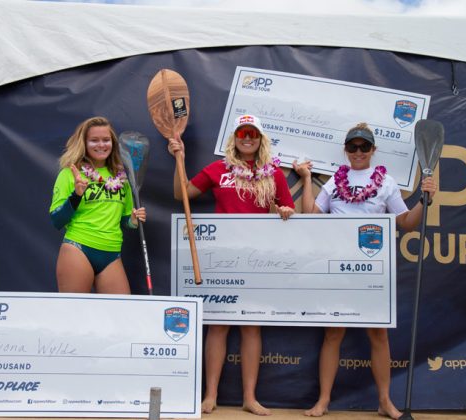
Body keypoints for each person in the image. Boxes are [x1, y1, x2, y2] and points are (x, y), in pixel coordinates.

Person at [293, 122, 437, 419]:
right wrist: (307, 179)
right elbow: (310, 217)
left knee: (378, 335)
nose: (357, 152)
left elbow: (406, 222)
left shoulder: (386, 183)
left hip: (372, 270)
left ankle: (384, 401)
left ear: (373, 150)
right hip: (336, 267)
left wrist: (427, 200)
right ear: (345, 150)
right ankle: (323, 401)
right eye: (352, 147)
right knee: (333, 334)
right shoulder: (334, 181)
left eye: (363, 147)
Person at [167, 114, 295, 416]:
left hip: (257, 259)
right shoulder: (218, 169)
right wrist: (180, 158)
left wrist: (285, 210)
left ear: (260, 138)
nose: (247, 138)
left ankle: (249, 398)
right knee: (218, 325)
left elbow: (290, 207)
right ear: (234, 138)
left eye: (252, 133)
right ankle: (210, 395)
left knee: (251, 326)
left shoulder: (273, 174)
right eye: (241, 133)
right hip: (222, 257)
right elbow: (180, 193)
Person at [50, 116, 146, 294]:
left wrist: (132, 220)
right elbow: (56, 220)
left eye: (106, 140)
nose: (101, 145)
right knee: (74, 314)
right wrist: (76, 196)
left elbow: (124, 220)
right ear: (84, 143)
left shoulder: (122, 177)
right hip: (79, 248)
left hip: (111, 252)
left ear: (113, 143)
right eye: (94, 140)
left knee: (118, 315)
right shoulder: (70, 173)